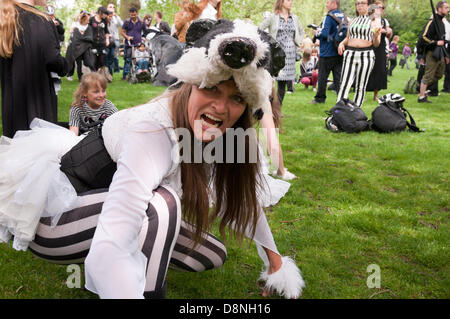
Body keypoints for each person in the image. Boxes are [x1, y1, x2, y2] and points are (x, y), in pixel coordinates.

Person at [0, 18, 304, 299]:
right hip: (56, 216)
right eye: (211, 88)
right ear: (190, 82)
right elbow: (113, 238)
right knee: (163, 204)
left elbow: (243, 198)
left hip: (102, 206)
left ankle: (137, 264)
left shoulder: (217, 132)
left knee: (211, 255)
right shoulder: (154, 128)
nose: (221, 107)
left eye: (236, 98)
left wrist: (276, 263)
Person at [0, 0, 68, 138]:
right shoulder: (39, 20)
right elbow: (53, 59)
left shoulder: (5, 16)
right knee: (38, 147)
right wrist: (66, 64)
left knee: (16, 147)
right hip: (37, 99)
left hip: (12, 101)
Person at [336, 0, 382, 107]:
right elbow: (348, 38)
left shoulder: (374, 22)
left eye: (362, 3)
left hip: (366, 55)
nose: (359, 5)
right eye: (357, 3)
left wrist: (375, 36)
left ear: (369, 5)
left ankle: (356, 113)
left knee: (360, 86)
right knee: (344, 84)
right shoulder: (352, 21)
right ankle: (339, 111)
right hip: (350, 54)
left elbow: (376, 44)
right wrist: (341, 43)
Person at [259, 0, 305, 106]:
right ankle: (265, 106)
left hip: (289, 54)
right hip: (276, 53)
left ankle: (278, 109)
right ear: (281, 2)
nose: (291, 2)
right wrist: (269, 43)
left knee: (282, 83)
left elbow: (302, 32)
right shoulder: (273, 17)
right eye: (288, 0)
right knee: (269, 80)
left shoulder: (295, 18)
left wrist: (297, 41)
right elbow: (260, 29)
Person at [311, 0, 343, 105]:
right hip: (339, 51)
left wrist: (317, 33)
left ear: (334, 4)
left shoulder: (328, 17)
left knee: (322, 77)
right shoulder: (343, 16)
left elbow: (324, 34)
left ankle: (320, 98)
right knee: (338, 78)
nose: (326, 4)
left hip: (327, 52)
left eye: (328, 2)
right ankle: (341, 100)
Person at [418, 1, 450, 103]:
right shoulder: (432, 22)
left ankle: (423, 86)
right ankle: (421, 96)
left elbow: (443, 40)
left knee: (440, 74)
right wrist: (435, 42)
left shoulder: (441, 23)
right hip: (432, 52)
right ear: (439, 9)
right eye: (446, 8)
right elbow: (423, 37)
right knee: (428, 75)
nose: (448, 10)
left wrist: (446, 55)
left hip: (440, 52)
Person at [366, 1, 392, 101]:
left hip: (381, 48)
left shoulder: (384, 21)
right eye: (379, 7)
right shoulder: (368, 19)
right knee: (367, 69)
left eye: (382, 7)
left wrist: (388, 31)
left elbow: (389, 32)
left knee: (379, 70)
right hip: (369, 46)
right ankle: (362, 94)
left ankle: (375, 95)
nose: (381, 9)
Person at [66, 11, 96, 82]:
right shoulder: (76, 28)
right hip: (77, 49)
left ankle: (95, 74)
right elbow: (75, 39)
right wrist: (82, 37)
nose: (88, 22)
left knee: (89, 62)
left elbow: (90, 38)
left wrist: (83, 37)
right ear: (83, 20)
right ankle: (80, 77)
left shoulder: (88, 27)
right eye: (87, 20)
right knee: (78, 63)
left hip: (86, 49)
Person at [122, 7, 145, 79]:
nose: (133, 16)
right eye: (131, 15)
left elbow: (145, 32)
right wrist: (127, 37)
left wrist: (143, 37)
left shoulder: (141, 22)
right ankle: (125, 75)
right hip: (129, 44)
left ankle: (138, 74)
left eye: (134, 15)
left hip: (138, 45)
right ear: (130, 14)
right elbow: (122, 32)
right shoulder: (127, 22)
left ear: (137, 14)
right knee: (128, 59)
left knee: (138, 59)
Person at [89, 6, 110, 71]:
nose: (106, 16)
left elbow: (106, 31)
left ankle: (100, 76)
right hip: (93, 43)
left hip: (102, 43)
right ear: (100, 12)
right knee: (93, 61)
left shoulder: (104, 21)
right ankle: (94, 76)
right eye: (105, 14)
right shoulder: (91, 19)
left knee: (101, 61)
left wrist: (107, 39)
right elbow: (87, 30)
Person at [106, 3, 123, 74]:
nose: (112, 8)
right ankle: (109, 70)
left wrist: (116, 16)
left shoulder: (116, 17)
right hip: (107, 39)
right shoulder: (105, 17)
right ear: (107, 8)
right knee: (108, 55)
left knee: (115, 55)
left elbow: (122, 24)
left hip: (115, 39)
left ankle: (116, 69)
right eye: (110, 7)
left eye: (113, 7)